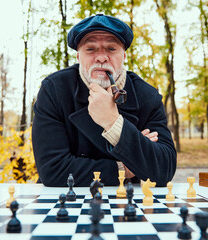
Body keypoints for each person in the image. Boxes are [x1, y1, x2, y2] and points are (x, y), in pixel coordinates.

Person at [32, 14, 176, 187]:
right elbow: (53, 170)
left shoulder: (147, 96)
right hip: (66, 202)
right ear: (78, 57)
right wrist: (124, 167)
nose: (101, 57)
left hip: (130, 202)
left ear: (124, 56)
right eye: (91, 49)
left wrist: (113, 122)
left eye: (111, 49)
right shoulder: (54, 89)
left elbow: (163, 169)